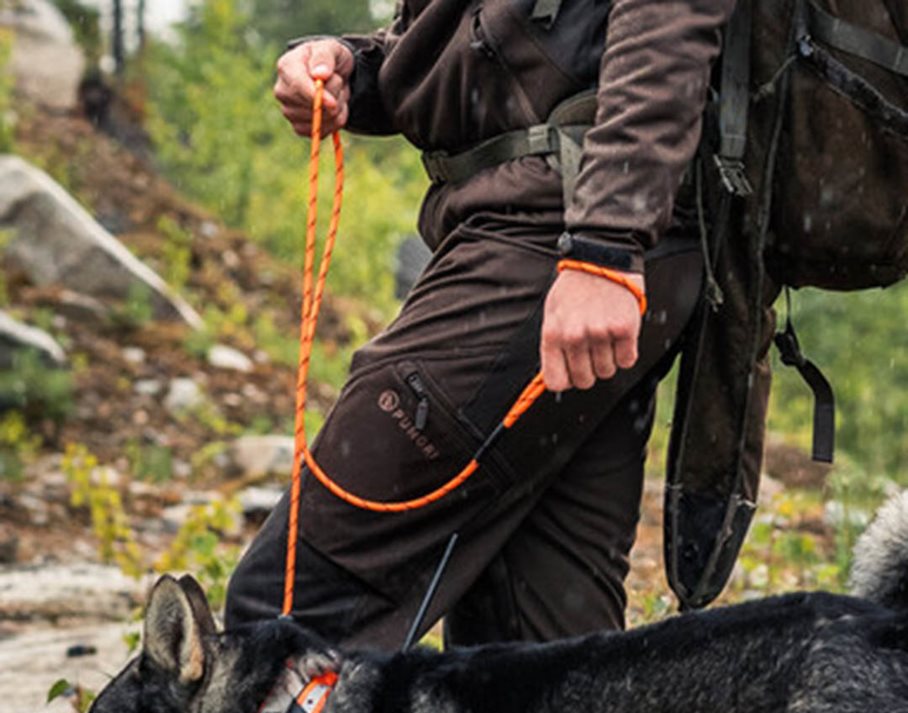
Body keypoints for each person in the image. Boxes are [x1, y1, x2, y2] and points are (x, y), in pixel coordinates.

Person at [225, 0, 736, 648]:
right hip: (574, 247)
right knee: (529, 664)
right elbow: (498, 46)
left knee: (289, 615)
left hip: (555, 245)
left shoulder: (587, 238)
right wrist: (359, 68)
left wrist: (606, 241)